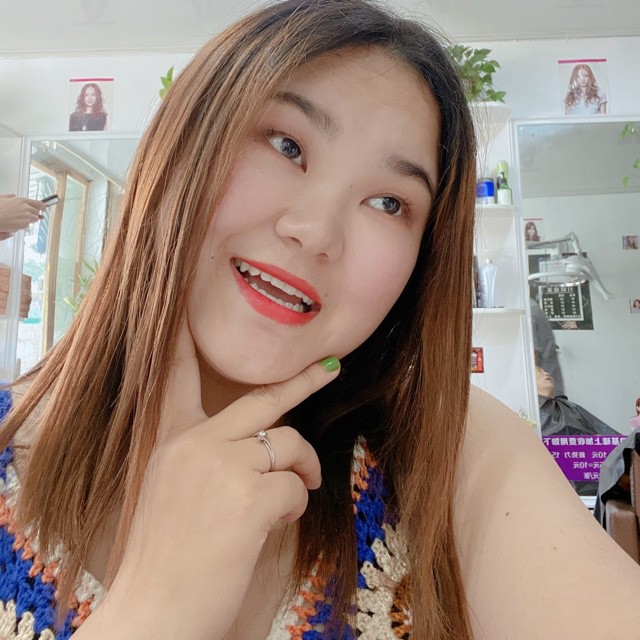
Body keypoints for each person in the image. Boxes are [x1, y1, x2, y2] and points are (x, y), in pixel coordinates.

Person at [1, 2, 639, 639]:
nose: (315, 232)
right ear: (183, 144)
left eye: (387, 202)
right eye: (287, 146)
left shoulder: (453, 456)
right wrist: (158, 608)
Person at [536, 366, 619, 495]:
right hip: (550, 488)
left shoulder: (570, 408)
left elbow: (610, 438)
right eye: (538, 372)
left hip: (589, 488)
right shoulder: (527, 416)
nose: (546, 373)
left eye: (545, 371)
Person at [529, 296, 565, 395]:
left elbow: (532, 357)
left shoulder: (529, 313)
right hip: (549, 389)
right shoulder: (531, 308)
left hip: (543, 392)